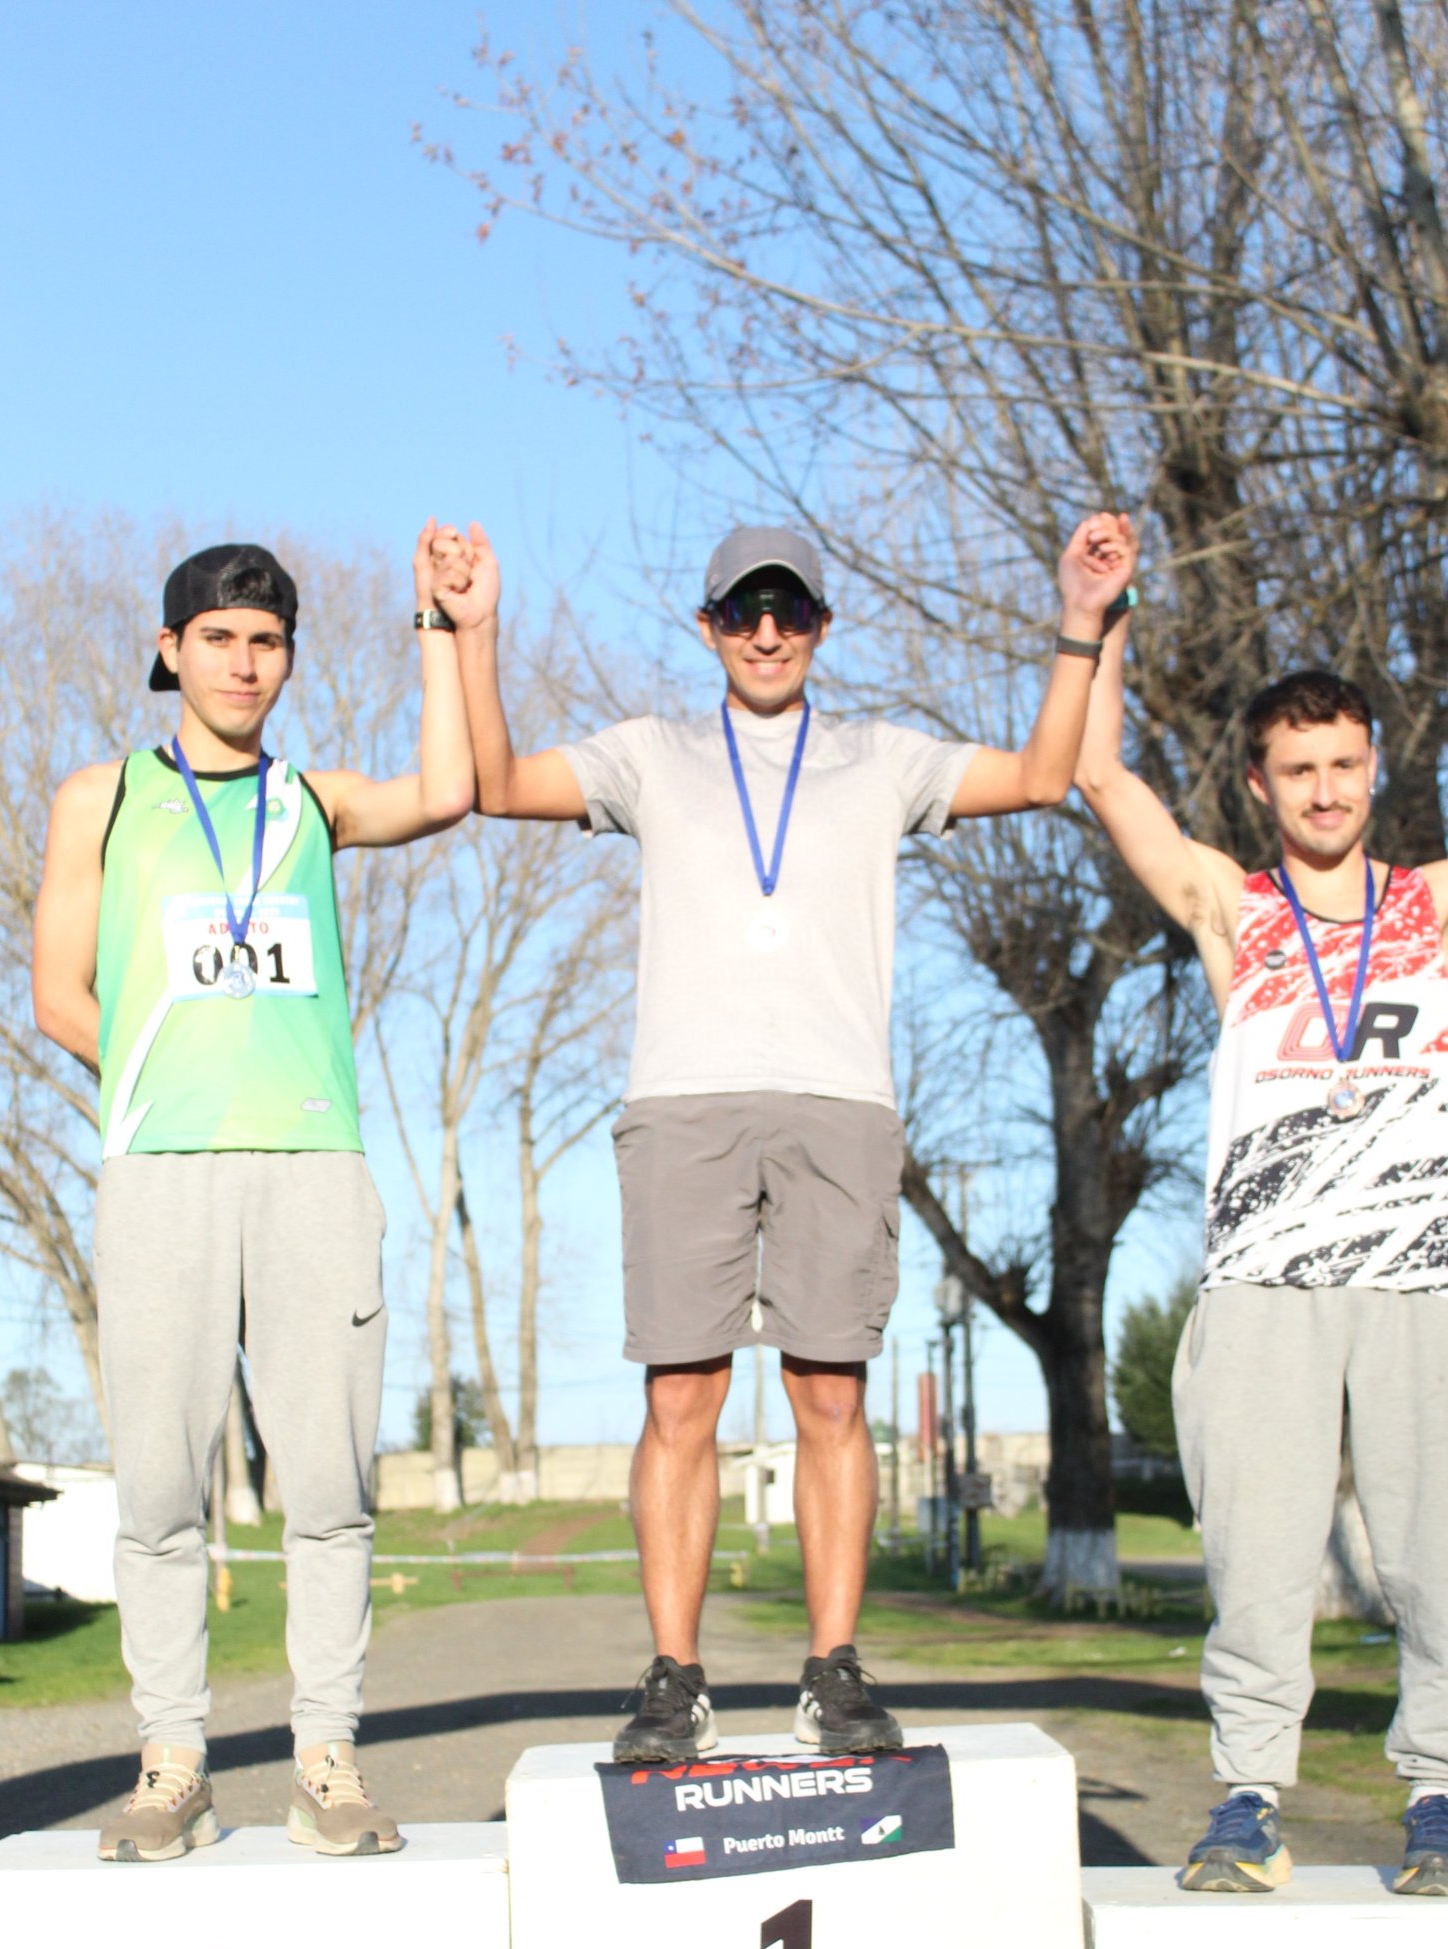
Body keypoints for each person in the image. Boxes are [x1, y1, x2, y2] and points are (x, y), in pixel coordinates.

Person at [430, 512, 1136, 1763]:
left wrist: (1084, 622)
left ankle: (833, 1670)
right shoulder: (650, 753)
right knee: (684, 1396)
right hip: (685, 1104)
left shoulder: (884, 758)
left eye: (791, 611)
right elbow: (492, 785)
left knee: (828, 1392)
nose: (767, 632)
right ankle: (673, 1679)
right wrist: (474, 630)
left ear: (822, 625)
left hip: (838, 1104)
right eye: (744, 612)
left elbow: (1039, 775)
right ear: (706, 628)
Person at [1077, 571, 1448, 1896]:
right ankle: (1249, 1799)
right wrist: (1105, 625)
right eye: (1297, 770)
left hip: (1423, 1278)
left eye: (1344, 764)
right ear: (1258, 783)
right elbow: (1103, 782)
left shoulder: (1440, 903)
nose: (1325, 791)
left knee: (1431, 1555)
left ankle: (1440, 1806)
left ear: (1374, 767)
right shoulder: (1232, 909)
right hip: (1266, 1283)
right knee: (1257, 1551)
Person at [33, 532, 477, 1859]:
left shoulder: (313, 801)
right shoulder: (98, 798)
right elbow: (61, 991)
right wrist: (171, 1071)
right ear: (170, 653)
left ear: (288, 661)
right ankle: (172, 1760)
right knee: (162, 1483)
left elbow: (450, 789)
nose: (244, 660)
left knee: (329, 1482)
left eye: (267, 640)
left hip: (313, 1174)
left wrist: (445, 629)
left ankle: (327, 1759)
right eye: (218, 636)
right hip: (161, 1173)